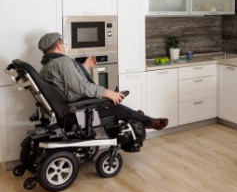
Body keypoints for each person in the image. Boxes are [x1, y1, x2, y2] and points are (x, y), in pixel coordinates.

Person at [38, 32, 168, 130]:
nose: (64, 47)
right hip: (76, 115)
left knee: (118, 105)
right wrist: (109, 93)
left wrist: (84, 67)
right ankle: (148, 121)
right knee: (116, 108)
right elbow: (82, 87)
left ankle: (136, 116)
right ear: (59, 46)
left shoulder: (47, 66)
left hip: (66, 112)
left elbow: (67, 84)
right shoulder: (62, 62)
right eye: (63, 45)